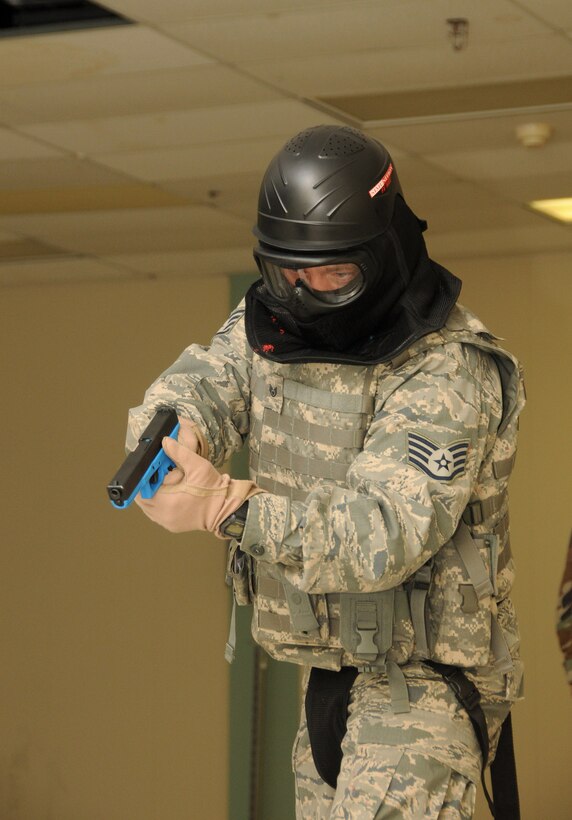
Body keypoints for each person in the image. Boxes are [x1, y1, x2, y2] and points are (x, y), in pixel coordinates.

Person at [125, 125, 525, 819]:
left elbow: (382, 533)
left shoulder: (448, 367)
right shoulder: (276, 319)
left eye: (331, 275)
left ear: (382, 253)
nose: (304, 295)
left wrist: (227, 504)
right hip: (325, 678)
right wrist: (168, 429)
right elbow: (206, 381)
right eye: (288, 273)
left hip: (422, 689)